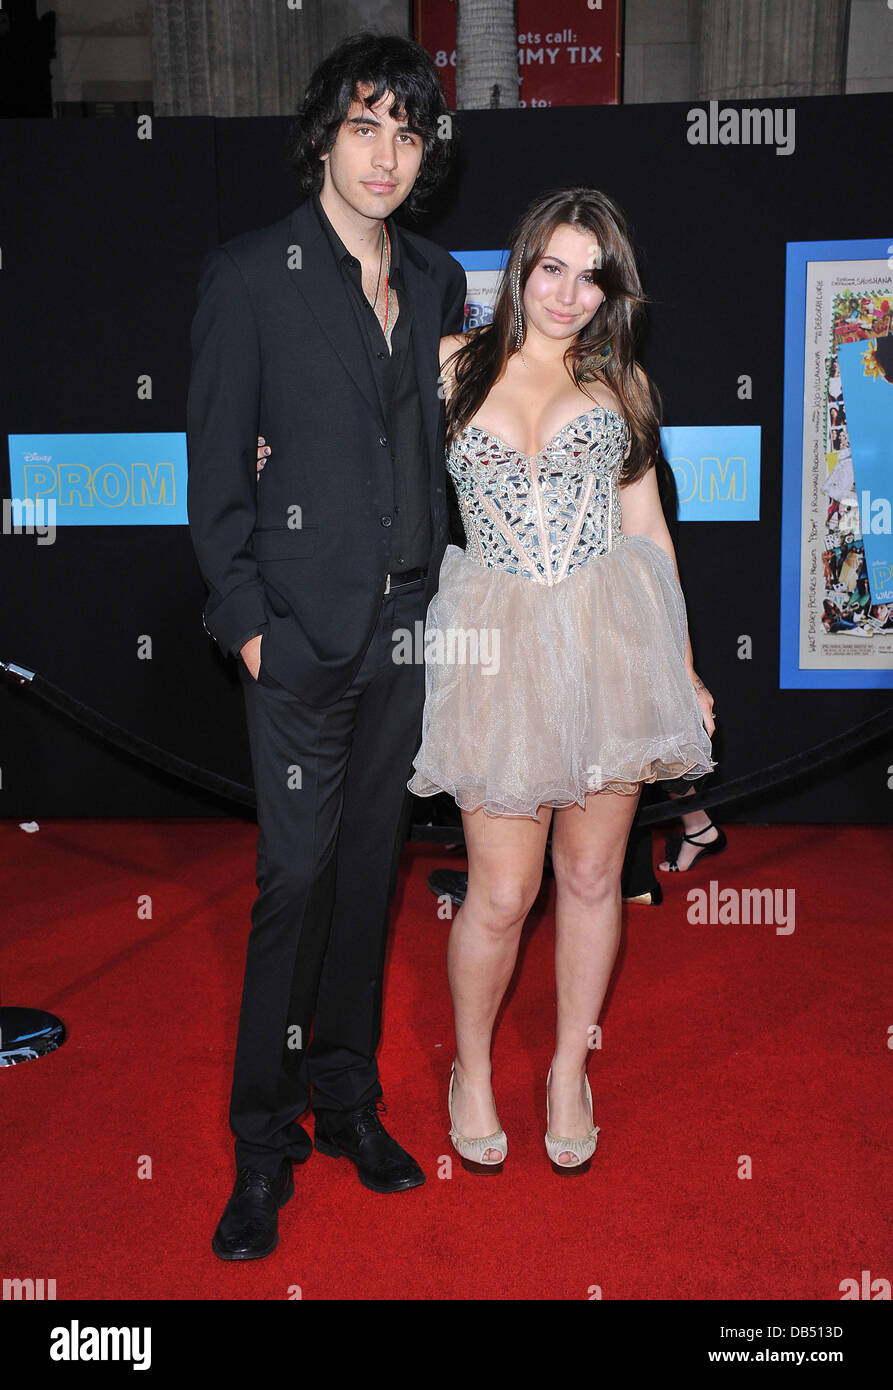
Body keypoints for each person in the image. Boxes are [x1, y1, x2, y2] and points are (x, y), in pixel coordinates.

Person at [186, 32, 465, 1260]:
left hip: (405, 632)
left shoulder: (439, 278)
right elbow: (212, 478)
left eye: (406, 132)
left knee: (369, 878)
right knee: (291, 885)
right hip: (296, 642)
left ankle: (347, 1103)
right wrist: (248, 628)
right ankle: (261, 1141)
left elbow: (435, 453)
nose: (386, 154)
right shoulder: (249, 276)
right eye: (365, 125)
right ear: (322, 136)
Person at [407, 188, 716, 1170]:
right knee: (500, 893)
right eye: (551, 266)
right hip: (492, 641)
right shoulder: (451, 363)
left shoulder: (617, 385)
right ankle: (470, 1066)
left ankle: (568, 1071)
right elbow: (360, 450)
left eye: (590, 275)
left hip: (604, 639)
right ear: (518, 266)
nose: (567, 292)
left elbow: (646, 534)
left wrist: (683, 668)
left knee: (590, 878)